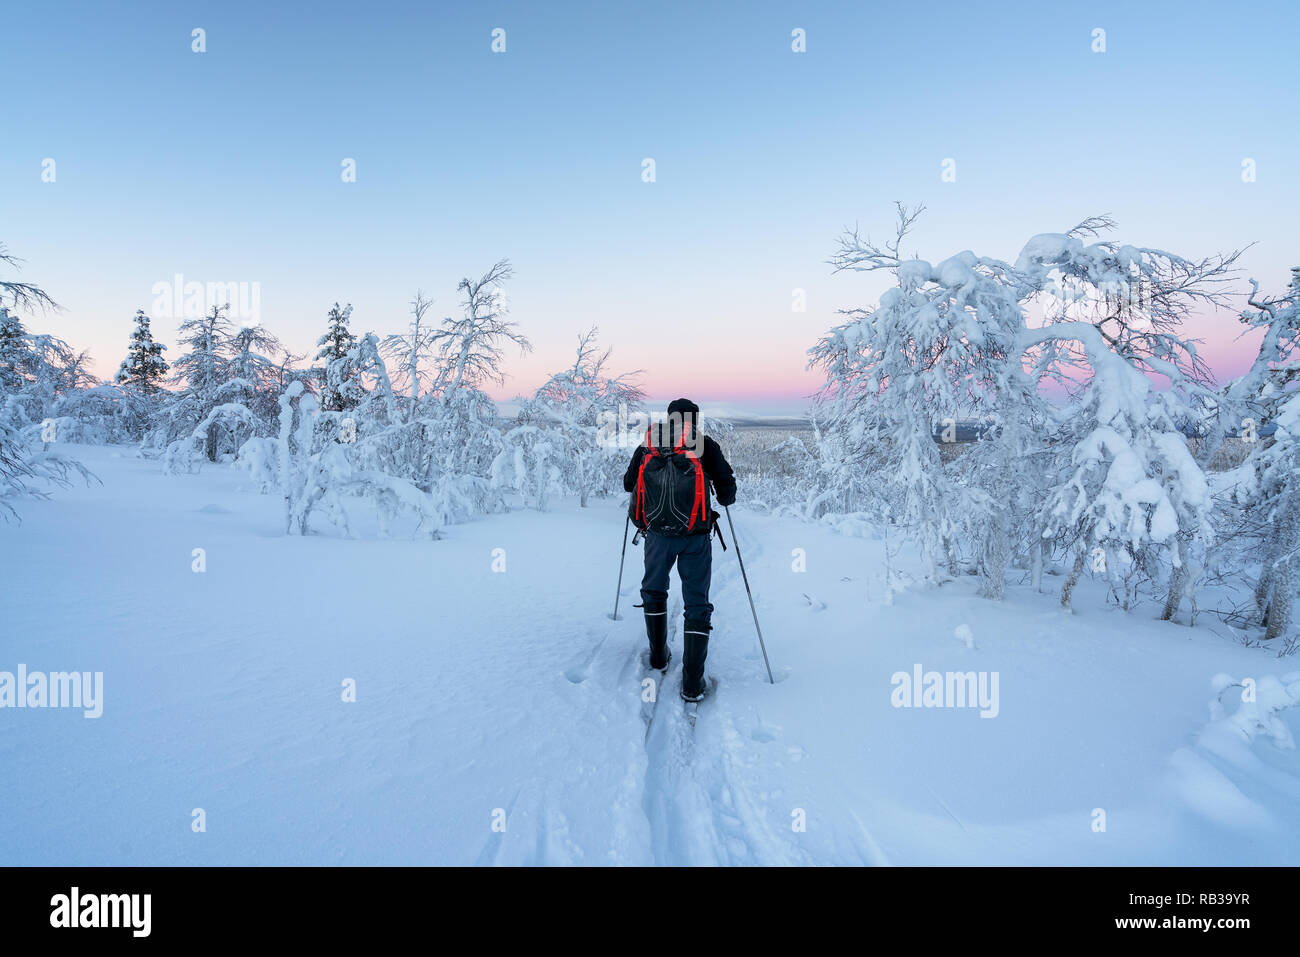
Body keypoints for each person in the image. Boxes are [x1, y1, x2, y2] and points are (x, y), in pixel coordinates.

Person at [623, 398, 736, 702]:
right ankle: (692, 683)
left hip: (657, 536)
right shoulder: (703, 444)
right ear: (694, 421)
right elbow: (728, 492)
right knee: (696, 602)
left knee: (654, 589)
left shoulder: (650, 441)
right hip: (695, 536)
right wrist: (719, 491)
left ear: (669, 418)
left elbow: (627, 483)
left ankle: (659, 656)